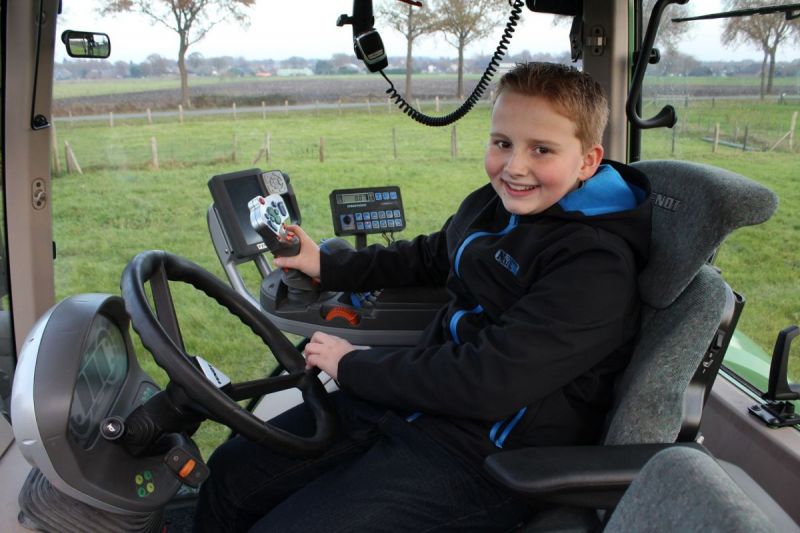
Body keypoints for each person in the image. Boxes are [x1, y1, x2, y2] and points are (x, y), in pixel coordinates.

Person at [193, 62, 652, 532]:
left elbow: (488, 380)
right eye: (502, 143)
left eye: (542, 149)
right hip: (410, 404)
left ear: (588, 161)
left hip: (482, 452)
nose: (515, 166)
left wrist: (353, 366)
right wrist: (326, 265)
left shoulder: (595, 267)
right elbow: (431, 254)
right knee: (231, 471)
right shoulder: (496, 205)